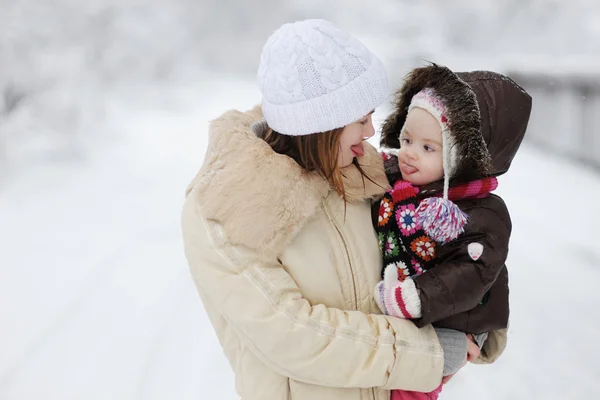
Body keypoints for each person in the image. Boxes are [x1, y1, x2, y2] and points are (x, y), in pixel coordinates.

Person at [182, 20, 498, 400]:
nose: (370, 131)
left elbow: (435, 240)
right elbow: (292, 335)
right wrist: (428, 353)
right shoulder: (227, 207)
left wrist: (479, 315)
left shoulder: (360, 171)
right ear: (322, 124)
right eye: (360, 118)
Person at [373, 64, 532, 399]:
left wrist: (417, 296)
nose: (410, 153)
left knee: (408, 391)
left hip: (444, 329)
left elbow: (470, 272)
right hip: (408, 330)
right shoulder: (402, 181)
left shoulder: (481, 213)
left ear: (462, 159)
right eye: (406, 139)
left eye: (428, 147)